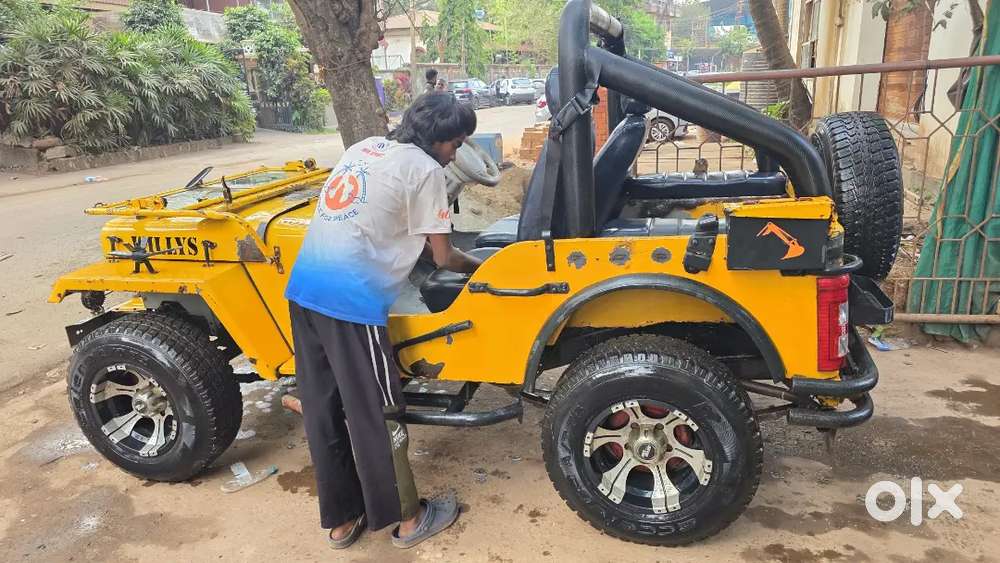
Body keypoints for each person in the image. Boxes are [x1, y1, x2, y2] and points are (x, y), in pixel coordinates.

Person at [283, 92, 481, 550]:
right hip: (352, 303)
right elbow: (442, 255)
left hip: (305, 289)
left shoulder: (364, 147)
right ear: (439, 141)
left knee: (323, 409)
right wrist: (483, 268)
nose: (457, 153)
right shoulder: (428, 170)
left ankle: (341, 520)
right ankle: (408, 521)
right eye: (457, 143)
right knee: (377, 410)